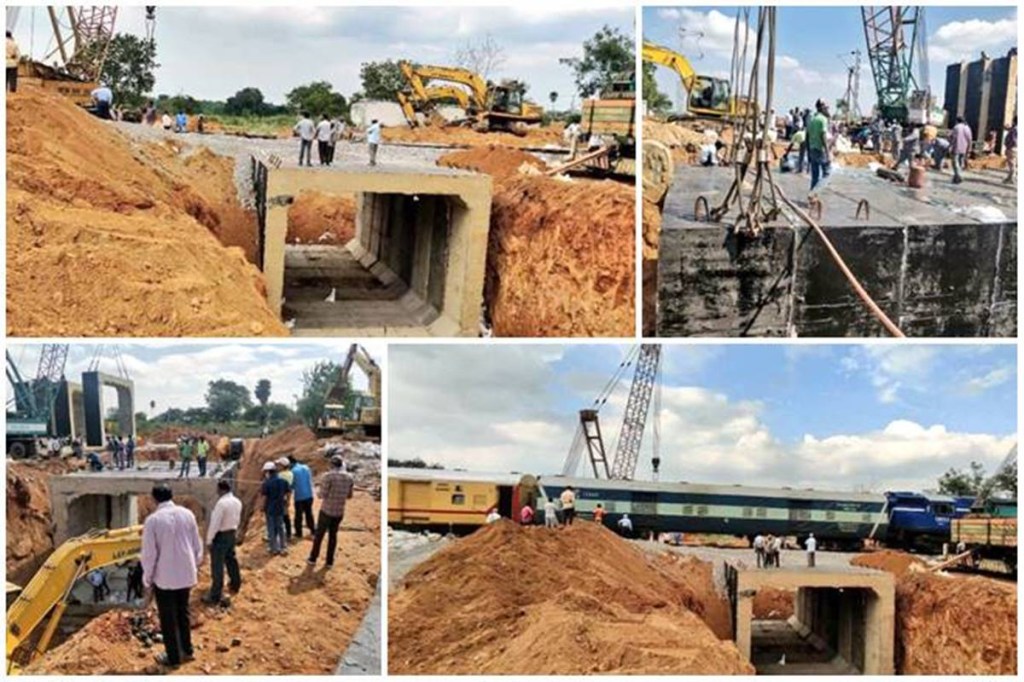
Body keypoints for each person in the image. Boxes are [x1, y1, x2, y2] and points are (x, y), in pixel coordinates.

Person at [141, 484, 203, 669]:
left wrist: (147, 578)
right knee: (182, 613)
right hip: (186, 574)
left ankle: (173, 657)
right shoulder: (187, 514)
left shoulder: (153, 521)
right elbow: (196, 544)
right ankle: (187, 650)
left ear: (154, 499)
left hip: (165, 578)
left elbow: (149, 554)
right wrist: (194, 564)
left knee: (168, 618)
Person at [307, 455, 354, 569]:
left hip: (326, 511)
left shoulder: (328, 476)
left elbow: (321, 495)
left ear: (332, 465)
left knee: (319, 535)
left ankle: (313, 558)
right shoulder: (349, 477)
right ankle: (329, 562)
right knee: (333, 536)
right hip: (339, 512)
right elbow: (349, 496)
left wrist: (319, 490)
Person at [203, 480, 242, 606]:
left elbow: (215, 524)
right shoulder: (237, 501)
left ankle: (215, 594)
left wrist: (209, 540)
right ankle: (235, 583)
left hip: (221, 536)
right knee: (231, 559)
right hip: (231, 533)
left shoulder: (221, 503)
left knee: (217, 565)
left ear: (221, 489)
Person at [260, 461, 288, 556]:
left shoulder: (266, 483)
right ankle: (283, 547)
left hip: (270, 509)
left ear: (268, 472)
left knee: (271, 528)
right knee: (280, 527)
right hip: (280, 508)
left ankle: (274, 548)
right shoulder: (283, 481)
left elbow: (264, 497)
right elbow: (288, 492)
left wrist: (262, 507)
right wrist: (287, 502)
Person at [807, 100, 831, 194]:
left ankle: (811, 200)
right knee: (827, 174)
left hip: (812, 149)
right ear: (822, 108)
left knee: (815, 176)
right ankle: (813, 193)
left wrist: (808, 151)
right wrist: (828, 152)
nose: (827, 109)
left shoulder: (812, 119)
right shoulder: (823, 119)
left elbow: (807, 135)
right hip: (820, 150)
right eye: (826, 107)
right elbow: (823, 136)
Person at [289, 455, 316, 539]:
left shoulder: (293, 471)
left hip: (299, 497)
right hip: (309, 495)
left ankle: (298, 533)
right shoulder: (306, 467)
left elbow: (292, 485)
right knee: (309, 513)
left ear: (291, 463)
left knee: (298, 515)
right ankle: (313, 530)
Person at [949, 116, 973, 185]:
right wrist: (969, 149)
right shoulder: (967, 128)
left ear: (957, 121)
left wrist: (950, 145)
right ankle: (956, 177)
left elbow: (953, 138)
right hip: (964, 148)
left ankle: (958, 176)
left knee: (955, 162)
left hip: (956, 147)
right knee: (960, 162)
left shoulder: (956, 127)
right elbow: (970, 140)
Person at [276, 456, 294, 543]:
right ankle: (289, 534)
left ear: (283, 466)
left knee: (281, 517)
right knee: (286, 517)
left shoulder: (280, 475)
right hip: (286, 497)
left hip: (280, 498)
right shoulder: (290, 473)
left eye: (279, 465)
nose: (277, 466)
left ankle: (281, 537)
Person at [1004, 119, 1017, 185]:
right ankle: (1009, 178)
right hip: (1013, 148)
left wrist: (1009, 147)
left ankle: (1012, 178)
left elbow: (1014, 140)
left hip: (1012, 148)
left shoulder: (1015, 129)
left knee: (1012, 164)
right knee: (1011, 163)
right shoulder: (1015, 129)